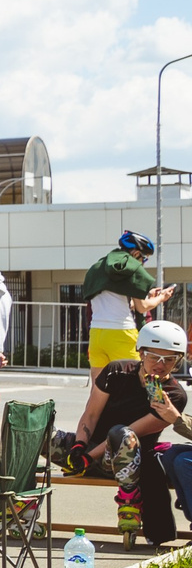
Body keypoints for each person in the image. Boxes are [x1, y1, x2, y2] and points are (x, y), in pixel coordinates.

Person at [67, 318, 191, 546]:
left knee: (123, 434)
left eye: (170, 360)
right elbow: (91, 414)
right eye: (154, 356)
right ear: (141, 353)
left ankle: (130, 504)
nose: (160, 365)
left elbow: (131, 432)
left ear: (179, 361)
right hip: (93, 450)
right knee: (41, 435)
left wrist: (88, 457)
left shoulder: (174, 395)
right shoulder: (116, 370)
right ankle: (19, 506)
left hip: (128, 460)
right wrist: (79, 446)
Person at [80, 230, 175, 373]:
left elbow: (115, 298)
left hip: (96, 334)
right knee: (137, 380)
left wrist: (147, 293)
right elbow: (142, 307)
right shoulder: (129, 268)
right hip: (121, 332)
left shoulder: (98, 267)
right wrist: (162, 298)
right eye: (144, 258)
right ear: (136, 253)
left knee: (99, 387)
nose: (143, 263)